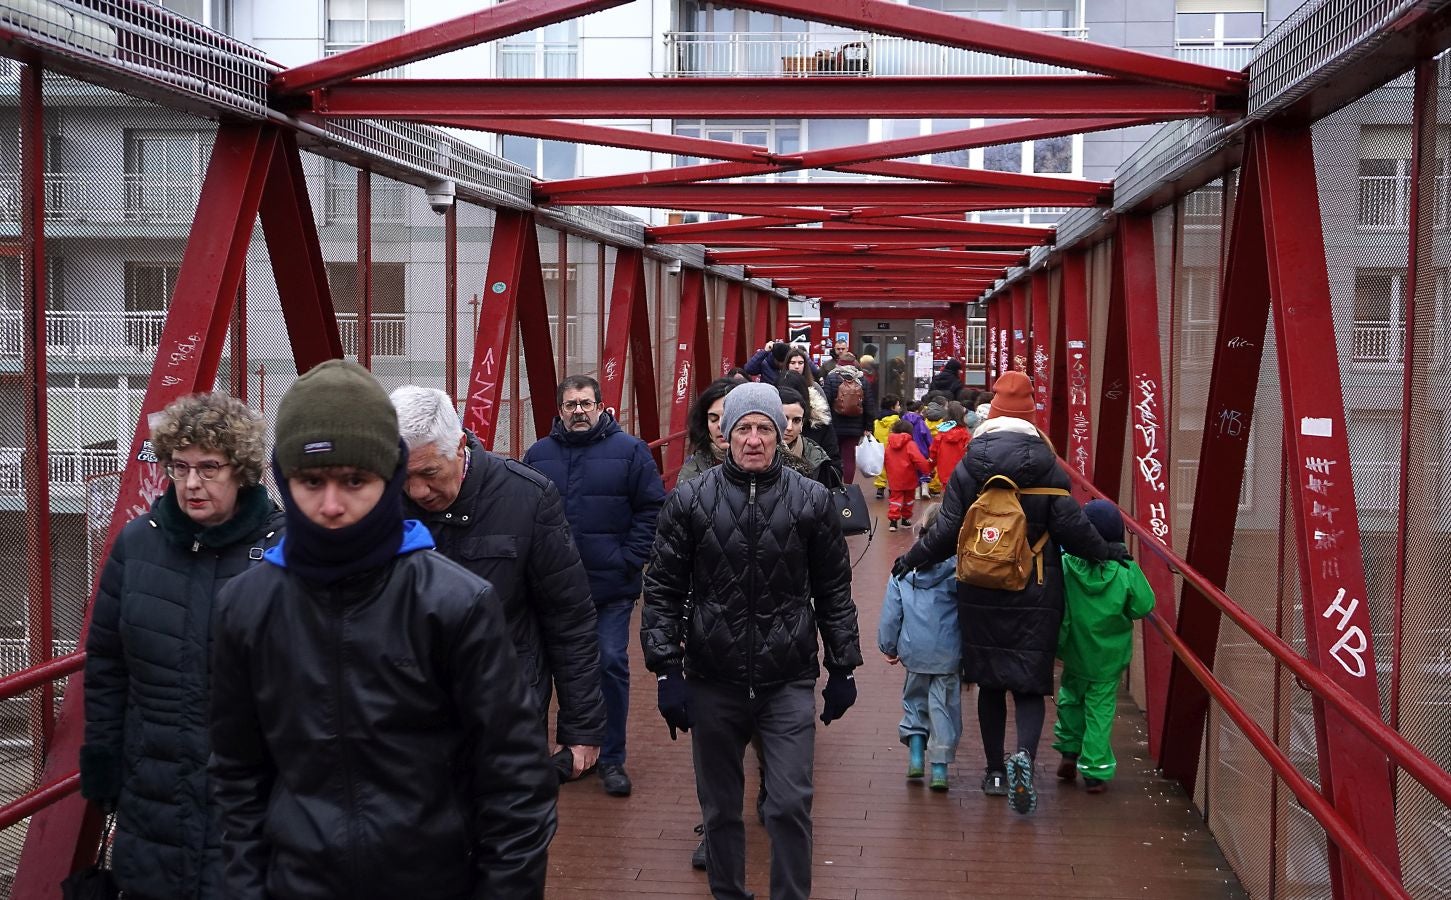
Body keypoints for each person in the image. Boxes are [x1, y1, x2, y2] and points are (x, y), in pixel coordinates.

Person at [210, 360, 556, 897]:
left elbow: (515, 784)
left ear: (389, 477)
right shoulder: (246, 609)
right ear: (284, 480)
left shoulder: (456, 605)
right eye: (310, 481)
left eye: (354, 480)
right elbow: (237, 778)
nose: (330, 505)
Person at [642, 382, 863, 900]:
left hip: (786, 676)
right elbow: (663, 588)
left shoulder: (810, 499)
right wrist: (666, 670)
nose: (755, 439)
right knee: (719, 809)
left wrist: (843, 668)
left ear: (781, 436)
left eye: (766, 427)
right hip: (711, 676)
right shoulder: (691, 500)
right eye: (744, 427)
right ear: (724, 434)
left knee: (789, 804)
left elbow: (834, 588)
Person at [892, 371, 1127, 816]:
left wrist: (913, 558)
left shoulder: (970, 463)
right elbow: (1074, 530)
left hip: (980, 586)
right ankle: (1026, 757)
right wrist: (1109, 550)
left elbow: (945, 532)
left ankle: (995, 771)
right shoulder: (1048, 467)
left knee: (990, 684)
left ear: (993, 416)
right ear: (1032, 420)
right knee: (1028, 685)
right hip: (1036, 588)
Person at [81, 393, 280, 900]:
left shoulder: (286, 548)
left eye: (209, 467)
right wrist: (104, 759)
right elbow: (107, 663)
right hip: (154, 793)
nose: (192, 483)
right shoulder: (137, 545)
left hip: (251, 801)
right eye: (180, 467)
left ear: (242, 470)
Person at [390, 385, 607, 788]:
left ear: (459, 446)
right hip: (408, 715)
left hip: (506, 710)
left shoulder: (527, 497)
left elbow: (569, 618)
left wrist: (581, 728)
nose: (417, 491)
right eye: (403, 476)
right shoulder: (380, 503)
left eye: (429, 474)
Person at [523, 374, 667, 797]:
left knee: (609, 663)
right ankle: (544, 756)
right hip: (550, 589)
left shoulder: (631, 452)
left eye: (586, 403)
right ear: (560, 411)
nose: (579, 411)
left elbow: (651, 507)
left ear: (603, 407)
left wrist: (629, 560)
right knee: (539, 672)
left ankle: (612, 758)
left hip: (609, 586)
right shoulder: (538, 455)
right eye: (570, 405)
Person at [1053, 499, 1155, 794]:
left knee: (1071, 697)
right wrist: (1131, 567)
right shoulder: (1123, 571)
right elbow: (1144, 604)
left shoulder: (1067, 565)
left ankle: (1069, 750)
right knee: (1099, 709)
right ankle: (1095, 770)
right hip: (1107, 657)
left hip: (1074, 650)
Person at [877, 504, 962, 791]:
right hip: (948, 652)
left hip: (914, 651)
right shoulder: (957, 570)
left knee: (914, 702)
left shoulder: (902, 571)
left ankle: (915, 758)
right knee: (943, 709)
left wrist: (889, 646)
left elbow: (892, 613)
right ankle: (939, 769)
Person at [822, 351, 877, 484]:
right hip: (855, 427)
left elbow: (825, 401)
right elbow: (869, 404)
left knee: (834, 457)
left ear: (839, 363)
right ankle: (847, 487)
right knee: (849, 459)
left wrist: (825, 422)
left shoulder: (832, 377)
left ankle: (835, 484)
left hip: (834, 425)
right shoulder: (862, 379)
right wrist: (869, 427)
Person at [778, 370, 840, 476]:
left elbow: (835, 469)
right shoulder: (760, 439)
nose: (789, 427)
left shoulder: (819, 426)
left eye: (796, 420)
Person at [677, 377, 737, 485]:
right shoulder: (691, 474)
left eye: (727, 417)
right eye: (713, 419)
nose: (720, 425)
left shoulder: (770, 466)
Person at [884, 418, 931, 532]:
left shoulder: (889, 445)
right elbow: (919, 459)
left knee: (895, 499)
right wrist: (927, 471)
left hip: (894, 477)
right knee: (908, 499)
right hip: (909, 476)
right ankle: (905, 519)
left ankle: (893, 521)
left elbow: (885, 459)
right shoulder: (910, 444)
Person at [930, 402, 972, 493]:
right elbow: (970, 451)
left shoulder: (942, 433)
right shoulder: (965, 434)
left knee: (946, 494)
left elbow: (933, 451)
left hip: (944, 470)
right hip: (961, 470)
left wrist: (930, 467)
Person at [872, 393, 902, 500]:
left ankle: (880, 488)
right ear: (892, 407)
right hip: (893, 448)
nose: (900, 407)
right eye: (898, 405)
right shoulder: (896, 420)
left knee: (881, 467)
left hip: (880, 447)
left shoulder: (877, 420)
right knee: (893, 469)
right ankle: (892, 488)